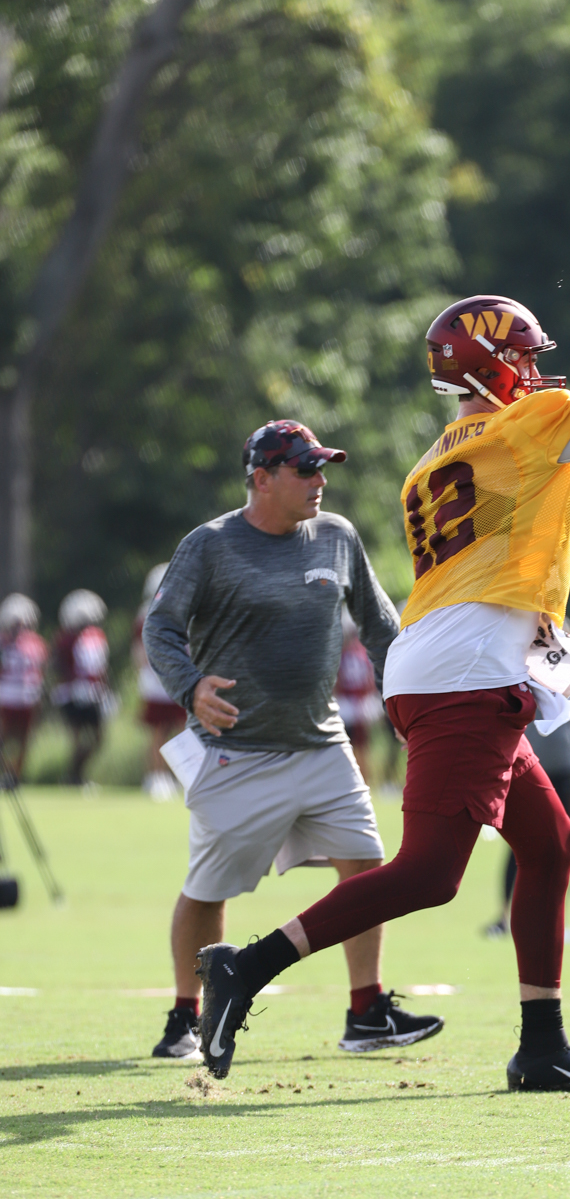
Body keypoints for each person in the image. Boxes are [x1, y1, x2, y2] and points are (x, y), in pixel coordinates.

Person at [194, 199, 570, 1091]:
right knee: (429, 875)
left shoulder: (441, 455)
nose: (540, 375)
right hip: (467, 674)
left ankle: (543, 1045)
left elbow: (493, 543)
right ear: (497, 365)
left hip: (447, 660)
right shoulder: (527, 426)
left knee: (550, 845)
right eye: (528, 360)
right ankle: (248, 966)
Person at [142, 420, 444, 1061]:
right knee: (209, 886)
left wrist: (404, 699)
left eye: (321, 467)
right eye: (305, 470)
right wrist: (191, 686)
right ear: (261, 478)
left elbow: (381, 625)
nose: (320, 481)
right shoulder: (211, 544)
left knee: (366, 864)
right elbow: (161, 628)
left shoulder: (337, 536)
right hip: (237, 749)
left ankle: (366, 1011)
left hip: (322, 742)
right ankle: (182, 1018)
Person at [133, 564, 187, 800]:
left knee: (180, 731)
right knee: (158, 731)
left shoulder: (183, 610)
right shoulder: (146, 613)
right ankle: (155, 776)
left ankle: (175, 777)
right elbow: (140, 652)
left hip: (178, 678)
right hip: (157, 682)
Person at [50, 590, 111, 788]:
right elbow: (57, 665)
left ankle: (77, 774)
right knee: (77, 738)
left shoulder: (97, 635)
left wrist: (104, 687)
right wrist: (71, 681)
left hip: (94, 693)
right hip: (72, 694)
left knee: (98, 738)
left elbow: (101, 667)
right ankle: (73, 777)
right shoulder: (65, 638)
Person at [0, 594, 48, 780]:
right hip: (8, 695)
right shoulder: (4, 642)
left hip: (26, 696)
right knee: (6, 737)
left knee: (23, 741)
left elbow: (40, 670)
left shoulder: (35, 642)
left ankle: (13, 775)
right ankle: (9, 773)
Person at [334, 610, 382, 782]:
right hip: (361, 704)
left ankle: (354, 779)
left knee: (349, 746)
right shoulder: (361, 651)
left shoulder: (343, 653)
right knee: (362, 747)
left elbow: (338, 682)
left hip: (348, 704)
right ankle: (363, 779)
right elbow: (371, 680)